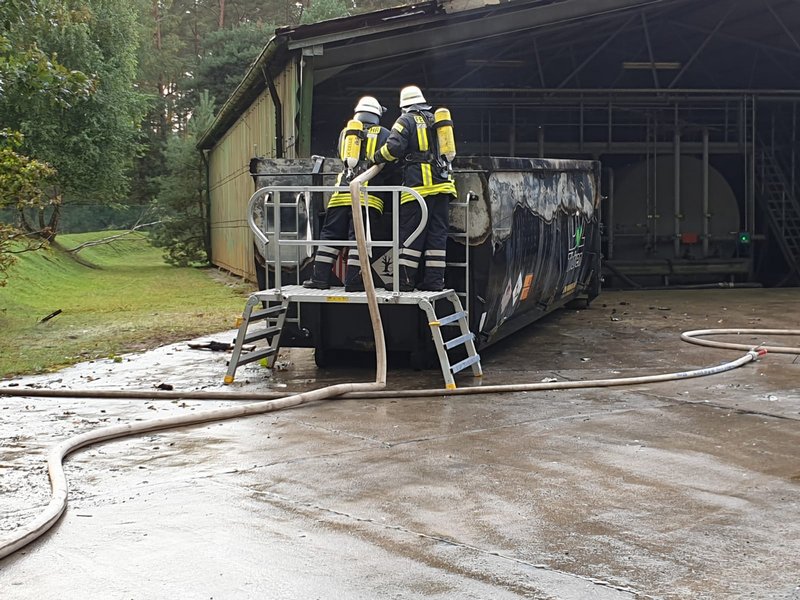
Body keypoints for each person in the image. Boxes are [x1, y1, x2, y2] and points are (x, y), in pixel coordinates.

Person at [303, 96, 393, 292]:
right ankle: (353, 281)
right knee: (358, 238)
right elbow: (388, 162)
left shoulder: (346, 132)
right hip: (367, 197)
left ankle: (319, 278)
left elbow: (341, 157)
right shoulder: (385, 133)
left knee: (329, 236)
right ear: (377, 114)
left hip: (340, 193)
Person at [372, 85, 457, 292]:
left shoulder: (406, 120)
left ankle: (404, 281)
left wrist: (375, 158)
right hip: (444, 187)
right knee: (437, 235)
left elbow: (393, 148)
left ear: (404, 106)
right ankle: (434, 282)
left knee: (411, 235)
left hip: (419, 189)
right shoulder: (436, 119)